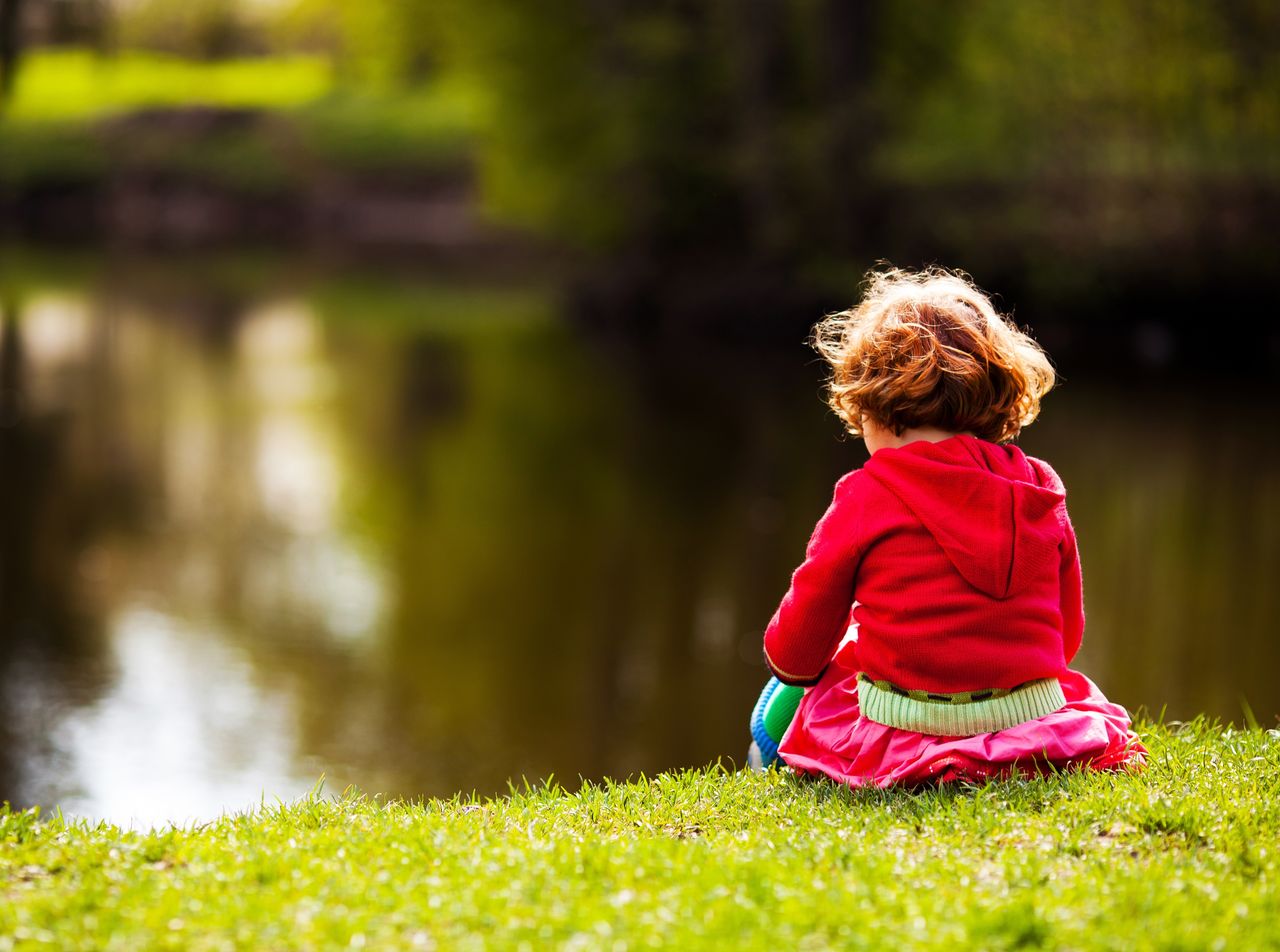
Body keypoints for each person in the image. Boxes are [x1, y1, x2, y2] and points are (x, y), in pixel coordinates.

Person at [748, 267, 1145, 785]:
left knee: (786, 710)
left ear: (871, 406)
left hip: (907, 731)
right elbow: (1065, 633)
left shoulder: (866, 494)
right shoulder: (1040, 488)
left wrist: (801, 658)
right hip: (1028, 721)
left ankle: (762, 769)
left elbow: (795, 652)